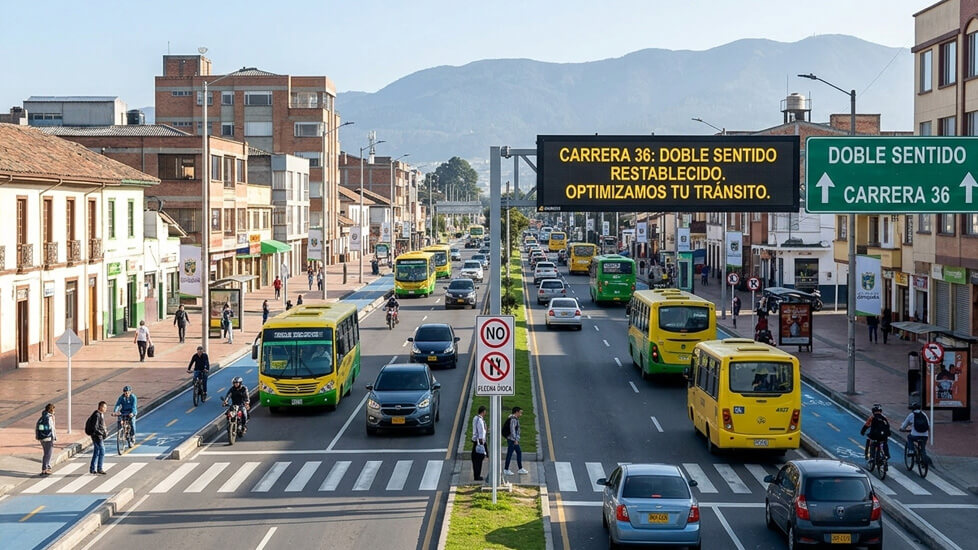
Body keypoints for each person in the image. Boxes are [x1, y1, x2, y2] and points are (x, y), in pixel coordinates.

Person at [503, 406, 527, 475]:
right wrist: (515, 440)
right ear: (516, 412)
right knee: (510, 454)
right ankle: (506, 469)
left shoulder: (513, 418)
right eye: (520, 413)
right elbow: (512, 430)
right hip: (512, 440)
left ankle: (520, 468)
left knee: (518, 452)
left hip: (512, 439)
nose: (521, 414)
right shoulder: (513, 419)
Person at [86, 401, 108, 474]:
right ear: (100, 407)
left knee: (96, 451)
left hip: (97, 436)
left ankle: (92, 469)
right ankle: (99, 468)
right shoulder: (97, 415)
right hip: (97, 436)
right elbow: (95, 427)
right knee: (102, 451)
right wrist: (102, 433)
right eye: (104, 407)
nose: (106, 409)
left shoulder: (100, 414)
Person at [36, 403, 56, 476]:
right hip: (48, 438)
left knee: (46, 453)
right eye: (53, 410)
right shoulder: (49, 418)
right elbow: (51, 428)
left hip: (42, 438)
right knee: (48, 454)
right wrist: (53, 437)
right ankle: (45, 469)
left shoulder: (42, 417)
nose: (54, 411)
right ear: (51, 410)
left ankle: (47, 467)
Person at [471, 405, 488, 481]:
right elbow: (481, 432)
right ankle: (477, 476)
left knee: (475, 459)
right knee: (478, 460)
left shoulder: (475, 418)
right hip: (479, 442)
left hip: (475, 441)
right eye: (485, 411)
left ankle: (476, 475)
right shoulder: (480, 421)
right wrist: (482, 445)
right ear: (483, 412)